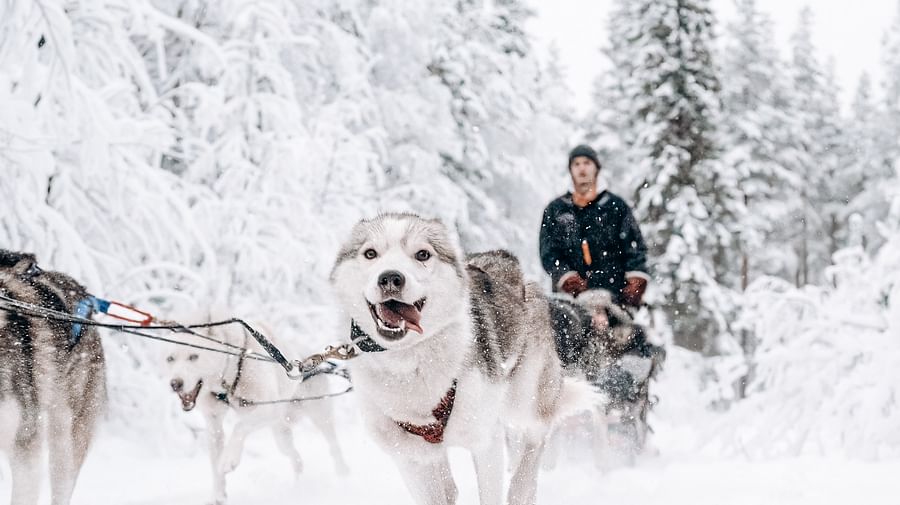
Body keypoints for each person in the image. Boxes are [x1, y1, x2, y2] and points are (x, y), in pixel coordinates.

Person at [539, 144, 650, 307]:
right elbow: (548, 252)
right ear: (570, 170)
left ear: (596, 168)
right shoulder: (556, 209)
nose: (581, 168)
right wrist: (566, 277)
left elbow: (634, 246)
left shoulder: (615, 206)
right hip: (570, 303)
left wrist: (635, 280)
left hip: (615, 298)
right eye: (576, 164)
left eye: (587, 163)